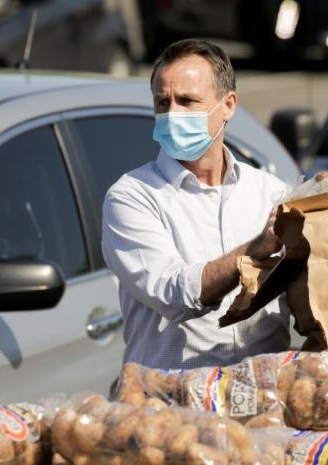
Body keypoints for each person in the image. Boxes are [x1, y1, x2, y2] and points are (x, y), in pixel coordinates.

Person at [102, 39, 290, 369]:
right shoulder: (133, 196)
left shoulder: (270, 192)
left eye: (187, 101)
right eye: (163, 103)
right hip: (174, 406)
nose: (173, 114)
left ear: (228, 105)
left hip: (263, 400)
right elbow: (174, 294)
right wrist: (254, 250)